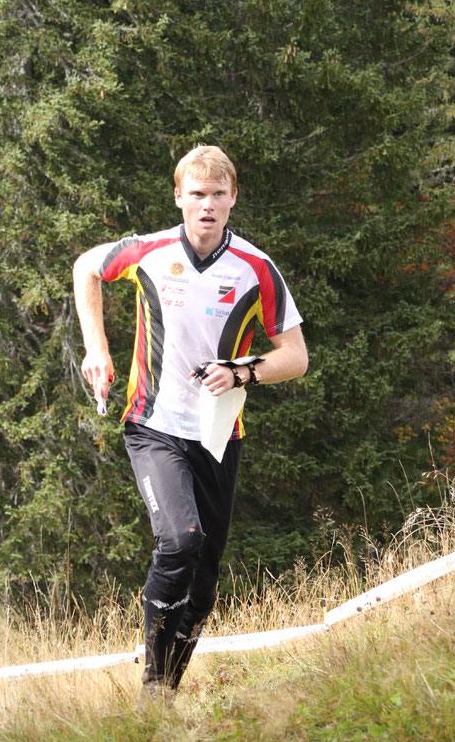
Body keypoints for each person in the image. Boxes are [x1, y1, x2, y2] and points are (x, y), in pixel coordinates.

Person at [73, 146, 308, 701]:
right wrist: (97, 349)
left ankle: (165, 697)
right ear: (179, 197)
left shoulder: (256, 268)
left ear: (233, 200)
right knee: (180, 539)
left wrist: (243, 372)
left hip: (218, 435)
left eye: (218, 195)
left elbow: (295, 356)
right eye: (196, 195)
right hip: (153, 423)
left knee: (203, 584)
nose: (207, 206)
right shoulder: (150, 252)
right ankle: (152, 685)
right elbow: (86, 266)